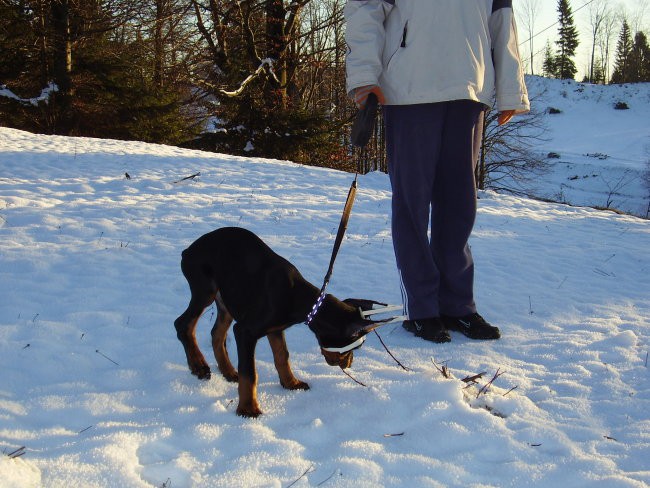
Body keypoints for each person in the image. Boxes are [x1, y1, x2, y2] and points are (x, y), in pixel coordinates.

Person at [345, 0, 530, 343]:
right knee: (412, 205)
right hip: (409, 87)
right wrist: (363, 75)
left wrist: (510, 89)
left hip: (469, 87)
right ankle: (422, 310)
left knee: (459, 207)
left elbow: (501, 19)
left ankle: (457, 306)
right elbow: (365, 8)